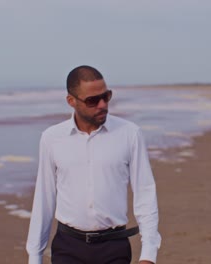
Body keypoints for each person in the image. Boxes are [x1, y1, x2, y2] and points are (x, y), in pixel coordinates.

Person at [26, 65, 161, 264]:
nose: (102, 105)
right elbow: (44, 199)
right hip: (68, 248)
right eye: (92, 100)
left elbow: (145, 193)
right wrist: (35, 257)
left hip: (114, 247)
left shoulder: (129, 134)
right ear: (71, 101)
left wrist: (149, 254)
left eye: (106, 96)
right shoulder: (52, 138)